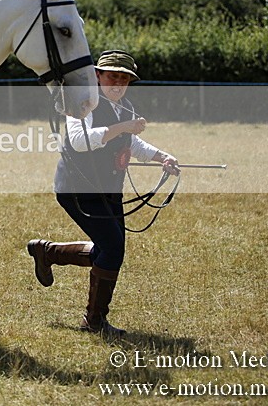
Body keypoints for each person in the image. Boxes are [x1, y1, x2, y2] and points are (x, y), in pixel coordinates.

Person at [27, 50, 179, 337]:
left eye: (124, 78)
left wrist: (162, 157)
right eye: (112, 76)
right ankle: (94, 321)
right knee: (112, 247)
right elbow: (80, 141)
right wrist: (124, 127)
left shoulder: (125, 107)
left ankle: (46, 252)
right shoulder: (81, 104)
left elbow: (130, 142)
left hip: (108, 189)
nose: (118, 83)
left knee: (109, 248)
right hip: (78, 188)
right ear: (97, 76)